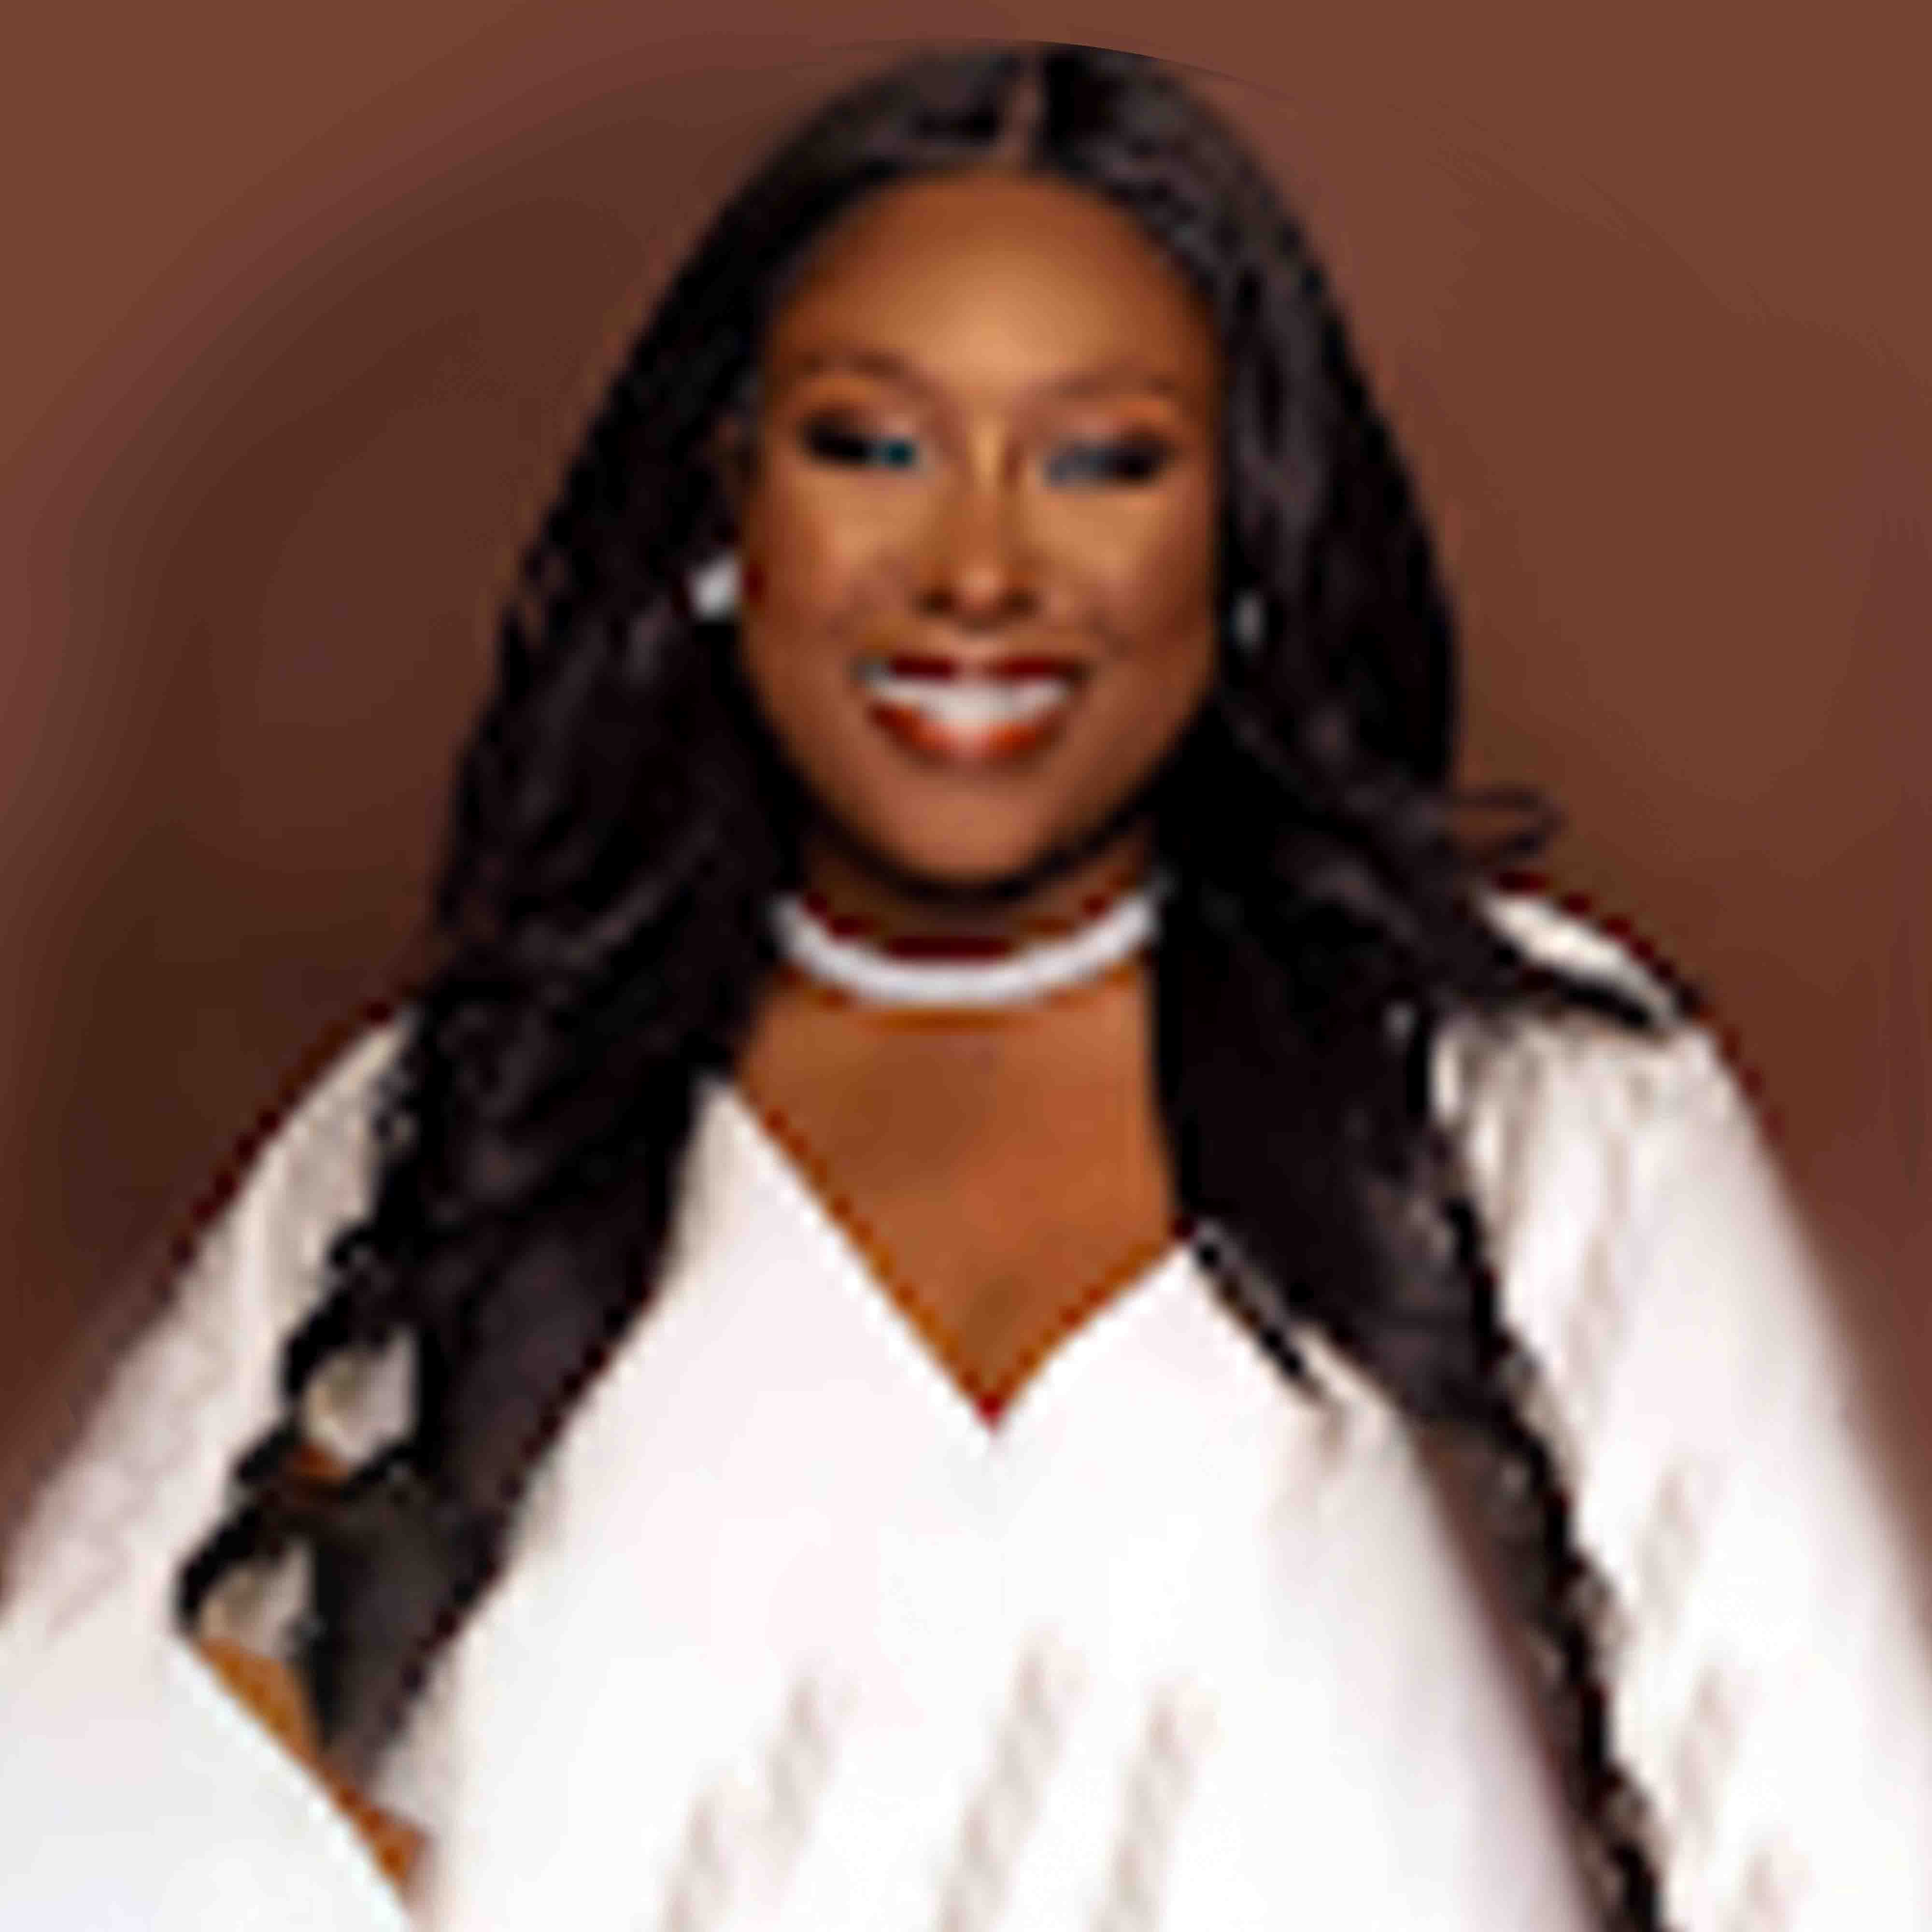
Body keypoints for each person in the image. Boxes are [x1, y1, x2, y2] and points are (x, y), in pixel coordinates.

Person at [1, 41, 1926, 1932]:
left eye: (1101, 460)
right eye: (871, 445)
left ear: (1245, 532)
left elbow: (1841, 1856)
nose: (979, 569)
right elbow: (71, 1822)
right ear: (723, 517)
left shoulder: (1539, 1105)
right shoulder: (451, 1134)